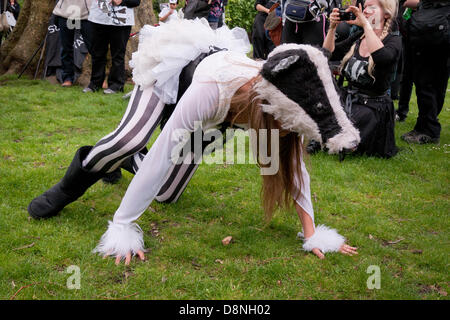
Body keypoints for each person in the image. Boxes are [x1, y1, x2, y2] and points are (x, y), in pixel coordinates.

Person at [28, 19, 359, 264]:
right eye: (285, 128)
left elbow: (294, 167)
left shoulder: (281, 106)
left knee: (167, 194)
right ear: (267, 108)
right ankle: (75, 181)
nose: (286, 135)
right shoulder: (214, 88)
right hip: (174, 72)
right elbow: (162, 153)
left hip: (214, 118)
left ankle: (127, 163)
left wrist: (313, 233)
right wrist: (123, 226)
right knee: (129, 140)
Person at [322, 0, 401, 158]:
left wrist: (366, 25)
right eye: (364, 8)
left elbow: (382, 58)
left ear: (386, 14)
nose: (365, 11)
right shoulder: (359, 36)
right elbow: (328, 53)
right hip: (349, 97)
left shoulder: (394, 40)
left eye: (371, 8)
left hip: (372, 106)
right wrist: (332, 28)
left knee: (350, 123)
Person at [401, 0, 449, 144]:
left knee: (427, 84)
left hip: (431, 34)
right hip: (437, 32)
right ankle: (424, 126)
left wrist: (422, 4)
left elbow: (407, 2)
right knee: (434, 83)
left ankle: (429, 130)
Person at [83, 0, 140, 94]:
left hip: (121, 21)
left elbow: (136, 2)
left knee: (118, 55)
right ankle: (95, 84)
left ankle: (116, 85)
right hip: (98, 19)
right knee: (97, 54)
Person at [53, 0, 92, 87]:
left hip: (86, 15)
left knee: (93, 48)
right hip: (66, 14)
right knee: (66, 48)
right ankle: (67, 78)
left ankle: (98, 79)